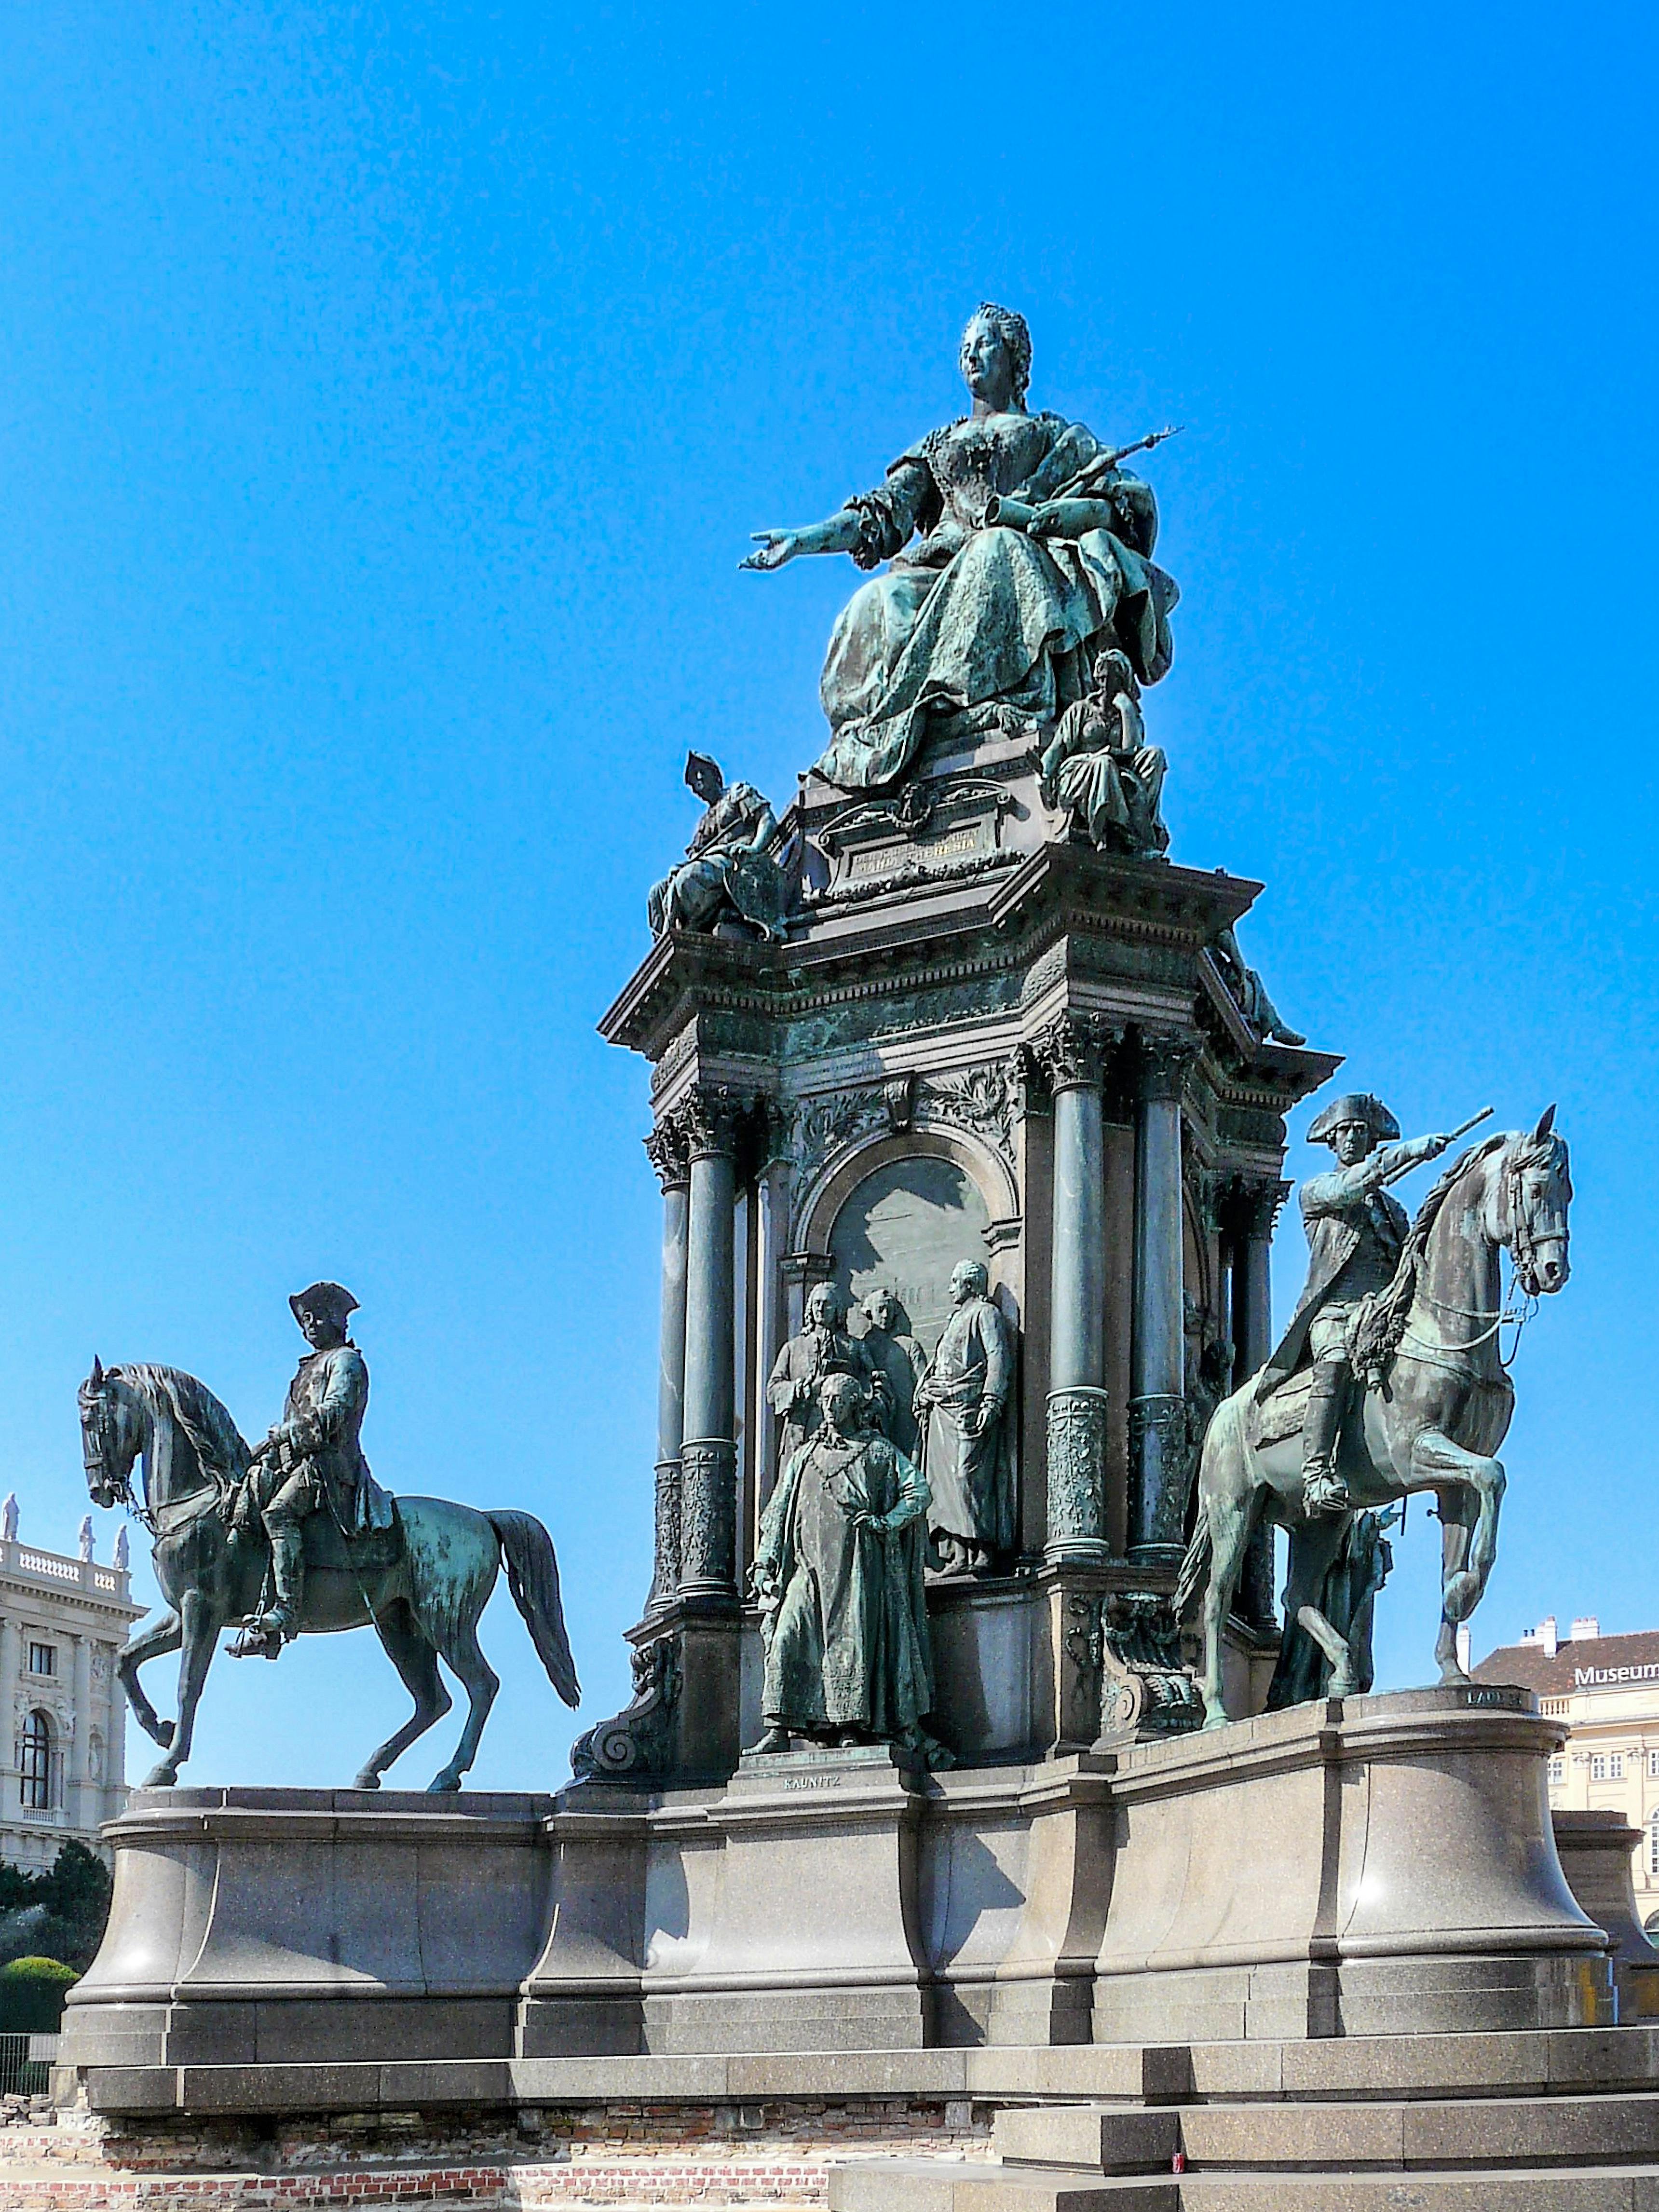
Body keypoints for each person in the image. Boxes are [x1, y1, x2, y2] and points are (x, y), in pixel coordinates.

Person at [742, 304, 1178, 791]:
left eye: (984, 344)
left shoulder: (1056, 437)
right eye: (963, 348)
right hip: (936, 567)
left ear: (1014, 357)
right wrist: (803, 540)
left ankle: (988, 705)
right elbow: (880, 513)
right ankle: (891, 732)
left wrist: (1046, 515)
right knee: (873, 603)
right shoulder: (939, 443)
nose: (971, 354)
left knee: (994, 551)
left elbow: (1117, 504)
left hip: (1019, 556)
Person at [1256, 1097, 1454, 1517]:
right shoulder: (1318, 1193)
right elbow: (1354, 1186)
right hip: (1337, 1313)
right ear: (1331, 1141)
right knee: (1336, 1357)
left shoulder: (1393, 1211)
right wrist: (1414, 1150)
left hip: (1382, 1314)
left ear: (1370, 1137)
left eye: (1360, 1131)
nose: (1351, 1138)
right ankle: (1316, 1474)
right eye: (1344, 1132)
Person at [749, 1373, 939, 1758]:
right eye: (825, 1400)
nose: (830, 1406)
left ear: (856, 1404)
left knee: (851, 1645)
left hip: (857, 1570)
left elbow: (919, 1491)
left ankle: (851, 1726)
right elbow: (778, 1511)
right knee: (788, 1636)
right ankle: (779, 1726)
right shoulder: (804, 1455)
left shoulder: (879, 1452)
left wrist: (887, 1522)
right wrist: (765, 1563)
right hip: (807, 1571)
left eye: (838, 1399)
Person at [243, 1282, 393, 1652]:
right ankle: (260, 1616)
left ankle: (286, 1611)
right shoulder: (308, 1368)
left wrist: (282, 1436)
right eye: (304, 1319)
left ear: (335, 1320)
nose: (308, 1325)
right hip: (300, 1461)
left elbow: (335, 1413)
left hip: (331, 1466)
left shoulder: (347, 1361)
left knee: (279, 1515)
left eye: (315, 1317)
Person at [914, 1260, 1016, 1573]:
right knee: (941, 1484)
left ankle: (984, 1549)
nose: (950, 1288)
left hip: (969, 1408)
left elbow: (998, 1356)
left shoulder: (985, 1314)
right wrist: (925, 1389)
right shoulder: (955, 1318)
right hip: (943, 1410)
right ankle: (959, 1554)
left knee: (967, 1476)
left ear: (970, 1285)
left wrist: (992, 1400)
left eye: (955, 1282)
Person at [1038, 648, 1168, 857]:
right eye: (1103, 677)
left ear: (1123, 681)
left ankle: (1141, 830)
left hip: (1120, 769)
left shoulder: (1130, 715)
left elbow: (1133, 750)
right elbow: (1057, 747)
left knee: (1156, 755)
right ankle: (1115, 833)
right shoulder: (1080, 710)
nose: (1106, 684)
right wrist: (1044, 773)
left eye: (1114, 678)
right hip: (1080, 772)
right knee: (1104, 764)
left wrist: (1126, 710)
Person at [647, 753, 785, 940]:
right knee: (658, 892)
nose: (699, 779)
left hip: (737, 860)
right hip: (712, 863)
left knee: (688, 878)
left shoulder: (738, 793)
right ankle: (666, 944)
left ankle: (684, 933)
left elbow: (767, 820)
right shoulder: (703, 823)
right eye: (694, 778)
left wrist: (755, 848)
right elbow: (696, 856)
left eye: (701, 772)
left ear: (716, 775)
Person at [765, 1282, 881, 1469]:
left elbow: (873, 1385)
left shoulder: (856, 1348)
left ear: (838, 1309)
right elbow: (773, 1391)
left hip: (844, 1436)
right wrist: (802, 1388)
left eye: (827, 1304)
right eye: (816, 1303)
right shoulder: (793, 1348)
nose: (820, 1308)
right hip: (801, 1433)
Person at [857, 1288, 930, 1460]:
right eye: (880, 1310)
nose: (885, 1315)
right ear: (870, 1313)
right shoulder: (859, 1348)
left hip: (905, 1420)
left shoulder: (910, 1346)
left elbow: (924, 1383)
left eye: (890, 1310)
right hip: (872, 1421)